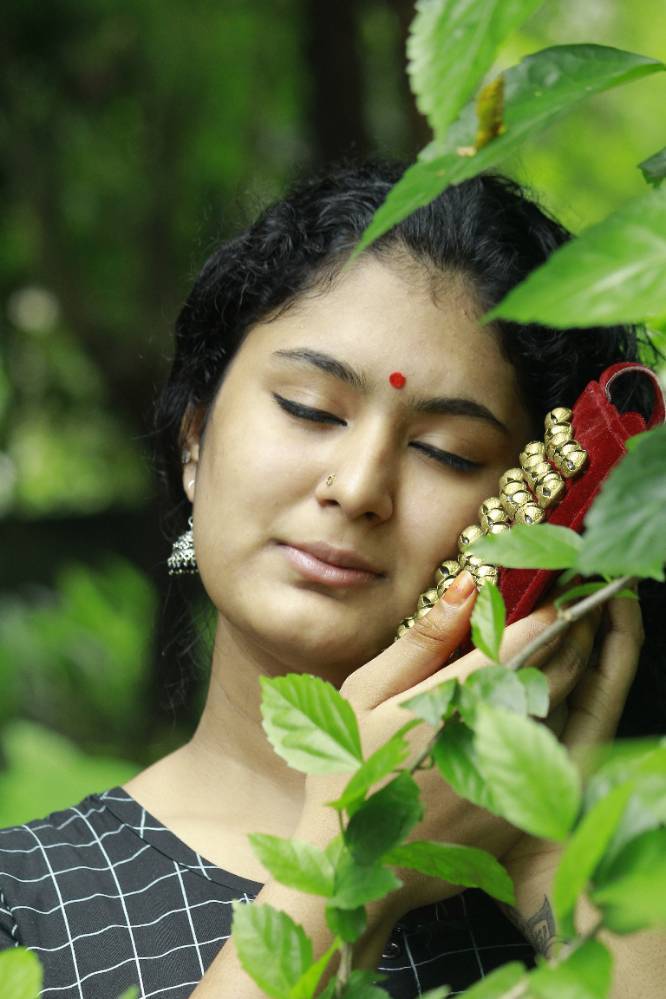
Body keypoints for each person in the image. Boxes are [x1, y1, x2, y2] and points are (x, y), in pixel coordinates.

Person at [0, 161, 662, 999]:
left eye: (446, 452)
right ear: (195, 440)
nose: (357, 487)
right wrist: (355, 860)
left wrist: (553, 851)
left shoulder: (619, 883)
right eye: (310, 408)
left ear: (532, 508)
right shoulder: (26, 902)